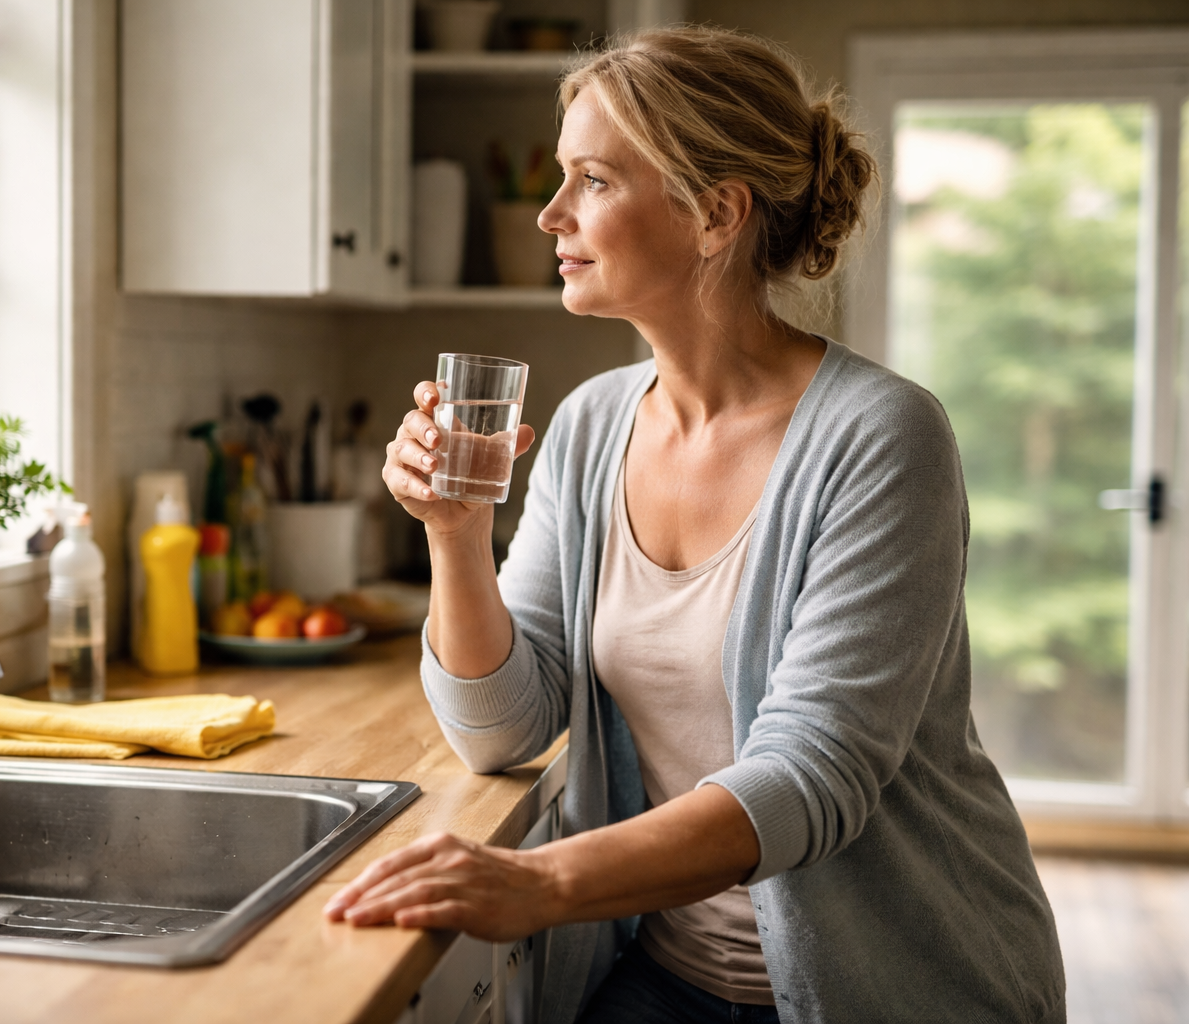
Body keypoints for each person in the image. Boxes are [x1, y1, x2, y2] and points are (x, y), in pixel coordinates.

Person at [321, 25, 1067, 1024]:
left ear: (714, 214)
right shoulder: (590, 427)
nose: (548, 215)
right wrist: (456, 532)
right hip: (664, 972)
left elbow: (814, 774)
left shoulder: (883, 436)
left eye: (590, 180)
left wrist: (540, 884)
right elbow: (500, 731)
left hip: (894, 985)